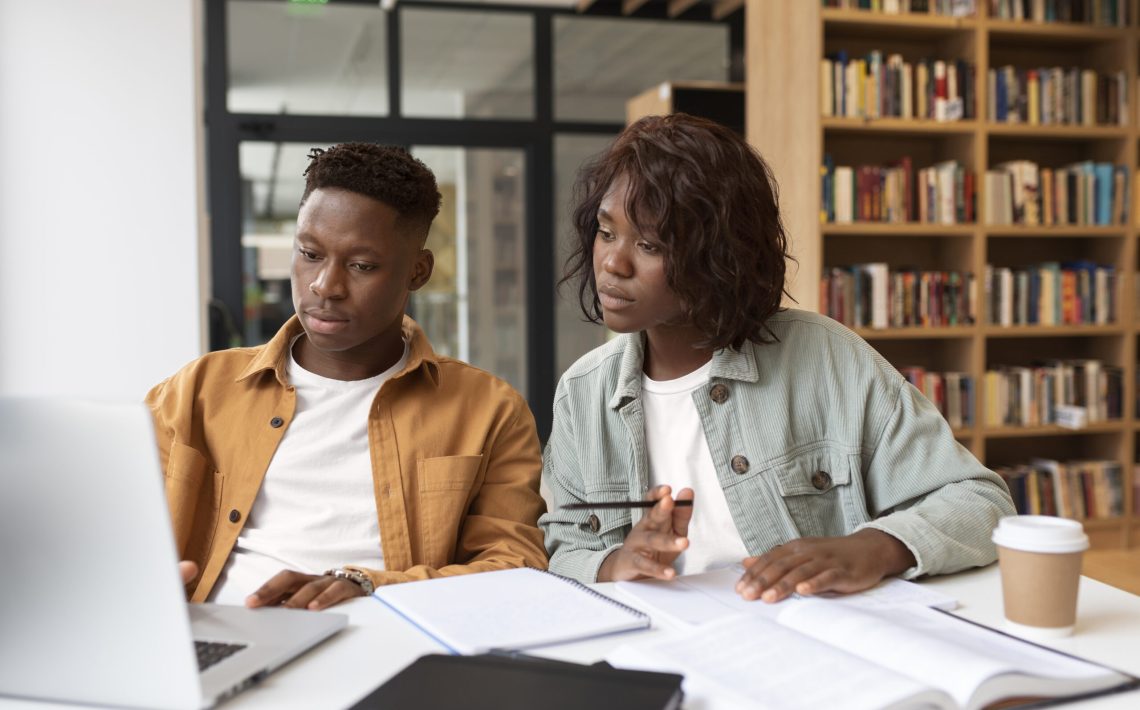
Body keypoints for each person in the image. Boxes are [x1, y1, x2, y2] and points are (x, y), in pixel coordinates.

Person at [539, 113, 1016, 603]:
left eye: (649, 244)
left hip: (811, 643)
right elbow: (563, 547)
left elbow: (981, 503)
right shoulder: (583, 394)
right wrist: (617, 562)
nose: (613, 263)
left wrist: (873, 549)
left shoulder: (827, 359)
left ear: (718, 255)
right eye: (605, 232)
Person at [149, 143, 547, 610]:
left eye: (361, 266)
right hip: (226, 634)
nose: (325, 286)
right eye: (310, 254)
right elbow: (110, 529)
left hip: (393, 640)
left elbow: (515, 566)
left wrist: (368, 584)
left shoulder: (489, 410)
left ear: (417, 272)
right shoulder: (196, 391)